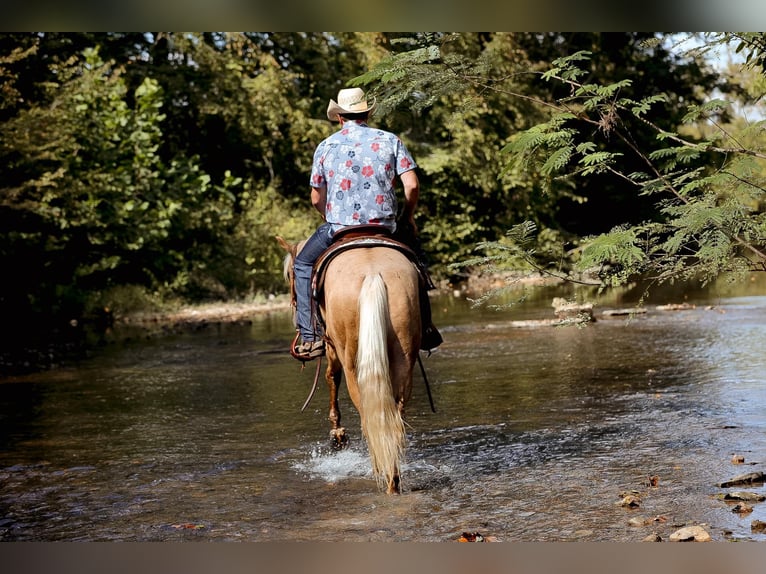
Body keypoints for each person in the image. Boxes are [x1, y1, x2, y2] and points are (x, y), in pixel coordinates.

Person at [292, 87, 441, 361]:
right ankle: (427, 327)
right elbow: (412, 185)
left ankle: (310, 335)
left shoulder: (325, 146)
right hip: (386, 228)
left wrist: (330, 216)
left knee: (302, 264)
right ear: (367, 113)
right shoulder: (389, 140)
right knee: (417, 262)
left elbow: (315, 197)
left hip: (340, 228)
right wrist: (407, 217)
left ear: (339, 117)